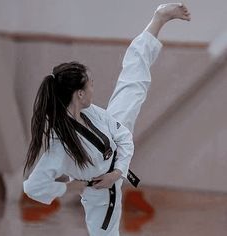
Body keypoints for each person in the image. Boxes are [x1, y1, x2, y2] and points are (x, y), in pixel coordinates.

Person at [23, 3, 191, 236]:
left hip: (113, 151)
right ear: (79, 94)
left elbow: (123, 137)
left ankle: (159, 18)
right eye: (90, 84)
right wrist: (72, 186)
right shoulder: (58, 143)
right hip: (98, 194)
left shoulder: (92, 113)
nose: (94, 87)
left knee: (133, 84)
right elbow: (33, 187)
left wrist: (118, 172)